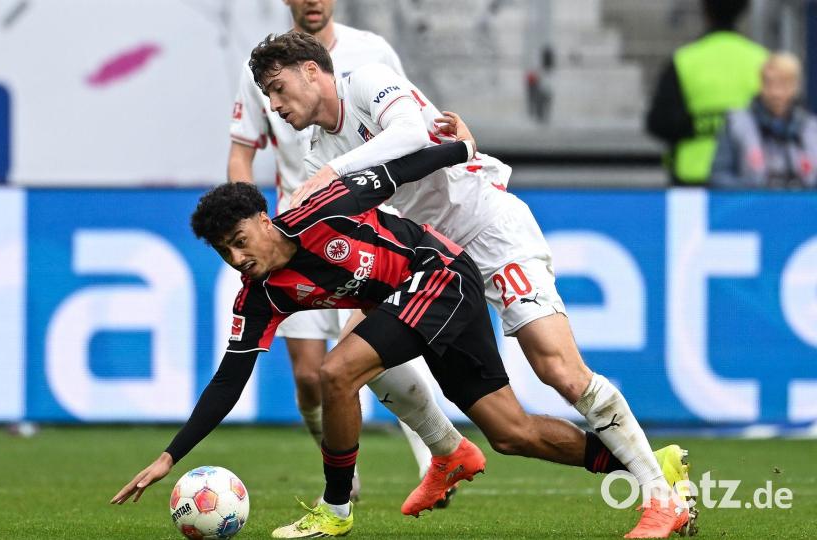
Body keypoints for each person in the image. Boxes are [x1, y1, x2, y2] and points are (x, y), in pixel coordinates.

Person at [110, 141, 689, 539]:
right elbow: (228, 380)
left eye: (240, 240)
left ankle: (335, 511)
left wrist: (462, 149)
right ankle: (649, 471)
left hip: (441, 275)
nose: (239, 258)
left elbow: (395, 172)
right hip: (410, 305)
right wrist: (168, 457)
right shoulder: (258, 295)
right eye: (225, 253)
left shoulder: (321, 210)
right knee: (512, 433)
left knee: (336, 373)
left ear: (264, 219)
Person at [251, 32, 694, 538]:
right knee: (483, 421)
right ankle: (447, 451)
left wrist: (336, 171)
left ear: (312, 70)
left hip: (488, 230)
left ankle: (660, 496)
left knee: (558, 369)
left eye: (278, 88)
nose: (275, 104)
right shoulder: (314, 157)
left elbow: (412, 135)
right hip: (429, 263)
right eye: (266, 95)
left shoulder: (364, 82)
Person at [227, 0, 451, 503]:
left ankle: (432, 459)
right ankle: (343, 471)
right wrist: (247, 226)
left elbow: (409, 125)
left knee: (367, 349)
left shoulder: (371, 52)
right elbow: (243, 150)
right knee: (309, 378)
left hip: (366, 225)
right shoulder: (261, 70)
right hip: (295, 238)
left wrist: (455, 142)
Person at [645, 0, 767, 186]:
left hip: (692, 176)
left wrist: (697, 125)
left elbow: (658, 123)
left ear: (705, 9)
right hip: (748, 177)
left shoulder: (684, 60)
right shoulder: (762, 59)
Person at [710, 52, 817, 189]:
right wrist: (759, 189)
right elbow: (718, 178)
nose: (775, 92)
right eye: (769, 83)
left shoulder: (812, 129)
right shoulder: (737, 123)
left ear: (795, 86)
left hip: (802, 209)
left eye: (783, 84)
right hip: (752, 208)